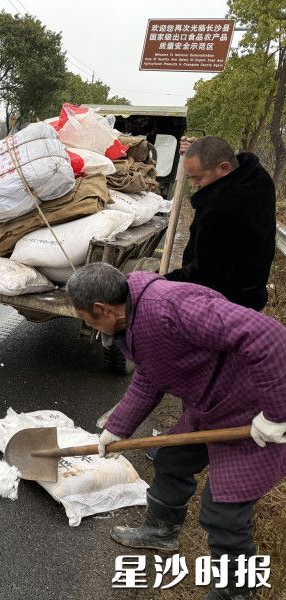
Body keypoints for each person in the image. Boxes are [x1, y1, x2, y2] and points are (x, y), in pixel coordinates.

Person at [66, 263, 286, 600]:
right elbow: (150, 376)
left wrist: (275, 413)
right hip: (212, 407)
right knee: (171, 461)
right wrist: (117, 429)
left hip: (255, 413)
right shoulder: (133, 320)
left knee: (223, 513)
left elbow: (267, 335)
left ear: (102, 308)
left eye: (87, 319)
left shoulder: (171, 306)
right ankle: (161, 531)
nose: (88, 326)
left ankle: (238, 592)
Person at [165, 135, 276, 311]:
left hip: (226, 303)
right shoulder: (257, 176)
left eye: (198, 177)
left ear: (224, 168)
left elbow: (203, 272)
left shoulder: (221, 209)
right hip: (253, 293)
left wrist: (161, 281)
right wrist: (201, 150)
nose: (194, 185)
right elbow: (221, 157)